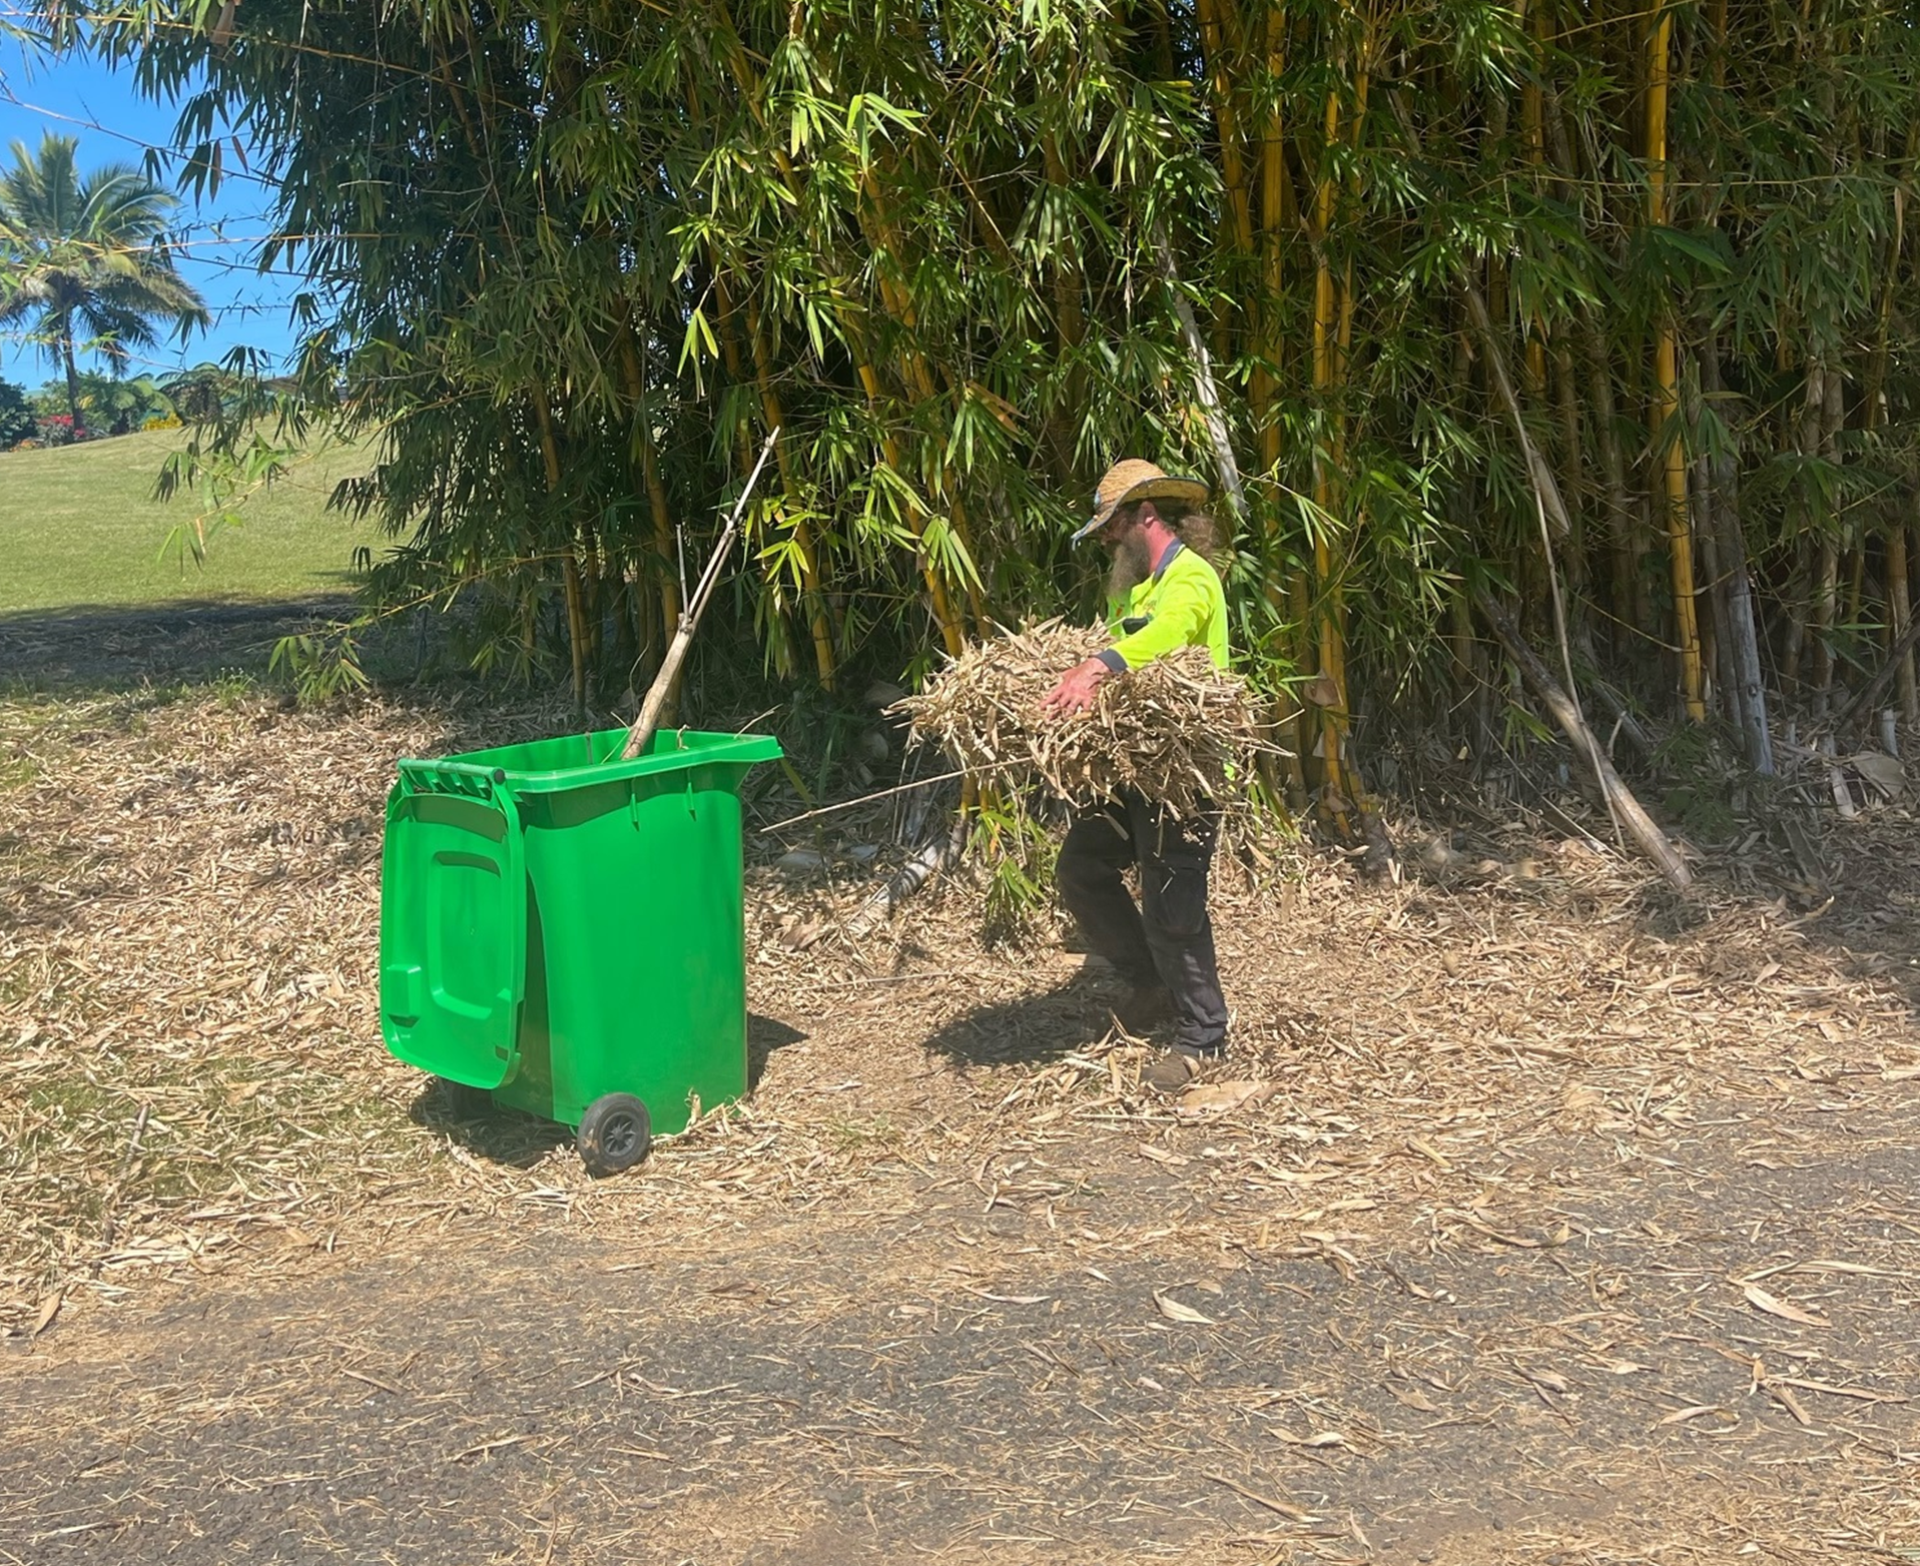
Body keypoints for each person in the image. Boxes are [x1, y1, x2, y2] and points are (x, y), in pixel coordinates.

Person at [1041, 459, 1231, 1093]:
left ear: (1143, 517)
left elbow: (1172, 636)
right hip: (1134, 769)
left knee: (1172, 907)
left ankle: (1203, 1037)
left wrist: (1097, 666)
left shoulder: (1190, 579)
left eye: (1108, 527)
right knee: (1081, 866)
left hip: (1187, 774)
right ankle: (1149, 983)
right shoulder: (1131, 589)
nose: (1102, 540)